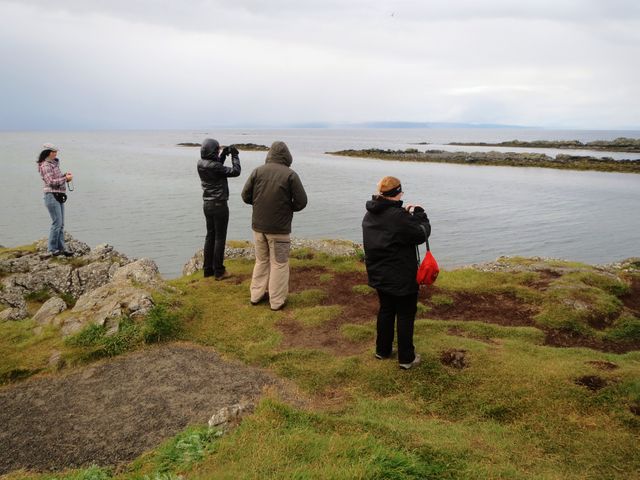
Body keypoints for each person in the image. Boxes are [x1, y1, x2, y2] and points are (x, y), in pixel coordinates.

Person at [362, 176, 431, 369]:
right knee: (405, 313)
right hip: (401, 275)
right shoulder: (397, 217)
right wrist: (420, 214)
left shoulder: (370, 214)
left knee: (386, 309)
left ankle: (382, 350)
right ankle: (407, 358)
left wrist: (406, 214)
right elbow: (421, 233)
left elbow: (396, 230)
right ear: (397, 193)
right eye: (401, 192)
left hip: (379, 273)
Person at [241, 141, 307, 310]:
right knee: (279, 264)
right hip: (279, 229)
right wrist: (287, 208)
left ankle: (256, 295)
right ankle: (277, 301)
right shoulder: (290, 175)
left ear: (269, 154)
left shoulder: (258, 171)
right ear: (287, 156)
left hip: (258, 227)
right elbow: (301, 202)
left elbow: (245, 196)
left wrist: (258, 203)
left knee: (261, 261)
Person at [197, 138, 241, 279]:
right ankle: (219, 271)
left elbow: (217, 168)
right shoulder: (215, 167)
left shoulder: (201, 164)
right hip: (219, 205)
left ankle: (208, 270)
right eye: (217, 150)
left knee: (210, 236)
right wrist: (235, 155)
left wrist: (223, 155)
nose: (218, 152)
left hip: (207, 204)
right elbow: (236, 171)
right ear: (212, 151)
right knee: (220, 238)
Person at [37, 143, 73, 257]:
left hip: (57, 195)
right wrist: (65, 178)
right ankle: (52, 249)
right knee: (57, 223)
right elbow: (51, 182)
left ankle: (61, 248)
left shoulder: (54, 164)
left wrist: (64, 176)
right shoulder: (45, 165)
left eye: (56, 152)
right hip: (51, 196)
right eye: (53, 152)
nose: (55, 154)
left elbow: (56, 179)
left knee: (61, 224)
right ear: (48, 153)